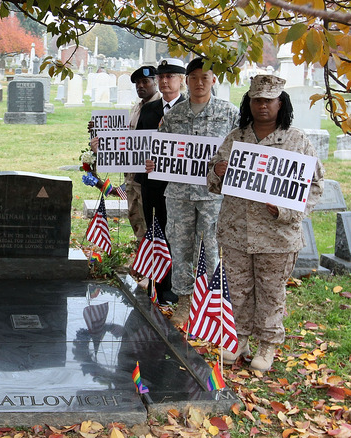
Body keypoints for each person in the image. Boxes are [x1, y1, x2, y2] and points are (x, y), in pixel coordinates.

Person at [207, 75, 324, 372]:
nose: (262, 105)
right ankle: (239, 339)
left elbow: (314, 186)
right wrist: (218, 171)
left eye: (269, 100)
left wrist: (285, 211)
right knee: (238, 290)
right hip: (236, 232)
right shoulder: (236, 138)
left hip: (276, 236)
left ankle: (268, 345)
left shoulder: (296, 140)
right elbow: (213, 182)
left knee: (271, 292)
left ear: (280, 103)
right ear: (249, 102)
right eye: (257, 100)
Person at [144, 57, 239, 326]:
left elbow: (241, 150)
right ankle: (184, 302)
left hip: (213, 195)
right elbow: (163, 150)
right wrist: (156, 163)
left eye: (205, 77)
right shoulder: (173, 115)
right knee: (181, 246)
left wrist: (227, 165)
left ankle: (211, 304)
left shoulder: (229, 113)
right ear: (187, 80)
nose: (199, 83)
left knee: (212, 248)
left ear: (214, 80)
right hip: (179, 194)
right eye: (194, 78)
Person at [133, 58, 187, 304]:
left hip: (179, 187)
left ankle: (174, 289)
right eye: (162, 77)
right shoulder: (148, 110)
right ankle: (158, 285)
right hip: (151, 185)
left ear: (181, 80)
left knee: (177, 235)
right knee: (156, 234)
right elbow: (136, 147)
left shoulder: (189, 109)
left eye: (171, 77)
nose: (165, 81)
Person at [89, 65, 160, 241]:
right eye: (137, 83)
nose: (140, 86)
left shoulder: (162, 107)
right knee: (135, 218)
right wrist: (98, 131)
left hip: (149, 179)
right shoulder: (137, 107)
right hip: (131, 177)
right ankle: (141, 258)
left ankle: (151, 264)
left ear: (155, 82)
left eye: (145, 81)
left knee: (149, 222)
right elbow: (124, 140)